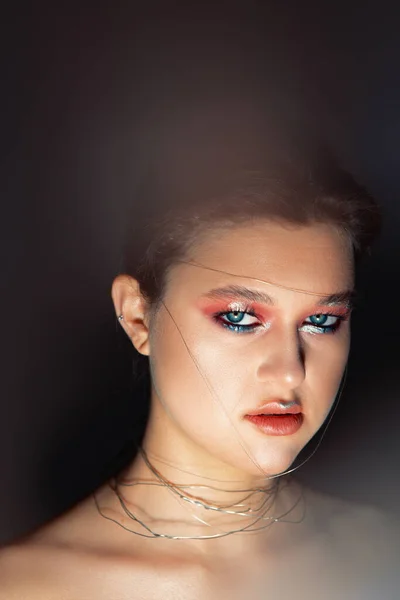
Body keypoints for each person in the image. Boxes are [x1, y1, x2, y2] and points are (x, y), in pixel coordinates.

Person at [1, 110, 399, 599]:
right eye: (238, 317)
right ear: (137, 317)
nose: (290, 369)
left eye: (322, 322)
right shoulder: (23, 587)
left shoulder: (383, 548)